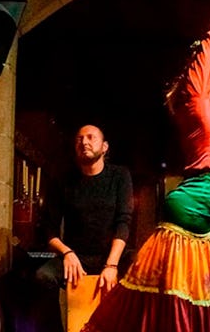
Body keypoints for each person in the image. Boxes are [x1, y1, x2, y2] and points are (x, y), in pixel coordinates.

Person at [81, 0, 210, 331]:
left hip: (207, 205)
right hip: (194, 202)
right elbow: (202, 56)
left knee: (206, 291)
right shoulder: (196, 99)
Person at [29, 124, 133, 329]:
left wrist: (111, 265)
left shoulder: (120, 176)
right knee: (43, 277)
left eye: (90, 137)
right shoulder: (63, 180)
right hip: (76, 257)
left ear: (104, 147)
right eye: (79, 139)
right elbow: (49, 228)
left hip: (110, 255)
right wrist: (67, 253)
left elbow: (124, 222)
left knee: (142, 268)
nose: (84, 142)